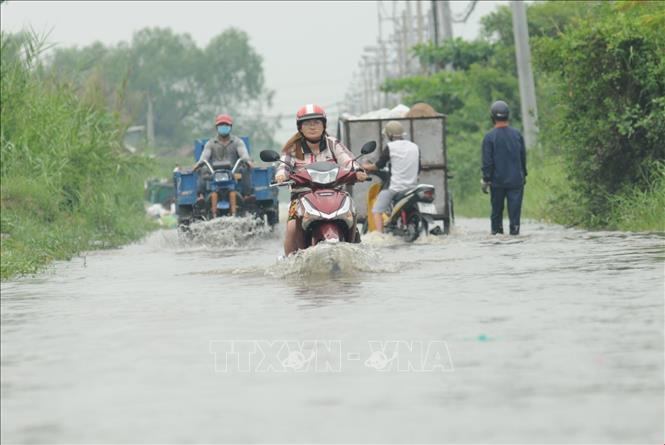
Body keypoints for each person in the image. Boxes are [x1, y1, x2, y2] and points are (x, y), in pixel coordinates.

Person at [275, 104, 367, 255]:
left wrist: (358, 170)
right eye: (307, 123)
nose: (312, 127)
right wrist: (281, 175)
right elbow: (283, 166)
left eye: (316, 122)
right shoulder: (293, 148)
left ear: (324, 125)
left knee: (351, 218)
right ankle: (289, 262)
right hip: (301, 197)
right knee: (292, 228)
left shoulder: (333, 144)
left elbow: (348, 160)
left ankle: (358, 255)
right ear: (300, 127)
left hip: (335, 194)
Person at [361, 120, 420, 233]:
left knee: (377, 210)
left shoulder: (390, 147)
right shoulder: (414, 146)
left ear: (389, 134)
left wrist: (366, 166)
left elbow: (379, 166)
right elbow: (419, 168)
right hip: (412, 187)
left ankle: (380, 235)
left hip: (395, 188)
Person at [193, 113, 253, 217]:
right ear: (217, 127)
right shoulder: (211, 143)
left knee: (244, 169)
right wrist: (199, 164)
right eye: (221, 125)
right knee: (202, 169)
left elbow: (244, 154)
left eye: (226, 125)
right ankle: (201, 195)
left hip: (233, 172)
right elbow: (204, 157)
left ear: (230, 127)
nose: (223, 128)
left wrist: (247, 161)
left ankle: (247, 195)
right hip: (214, 173)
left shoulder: (237, 142)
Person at [481, 100, 527, 235]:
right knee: (515, 216)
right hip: (516, 181)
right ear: (508, 116)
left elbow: (487, 163)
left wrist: (486, 179)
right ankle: (514, 235)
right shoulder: (517, 135)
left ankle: (497, 238)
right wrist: (523, 175)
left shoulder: (489, 137)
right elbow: (523, 157)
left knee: (496, 215)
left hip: (497, 183)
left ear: (492, 117)